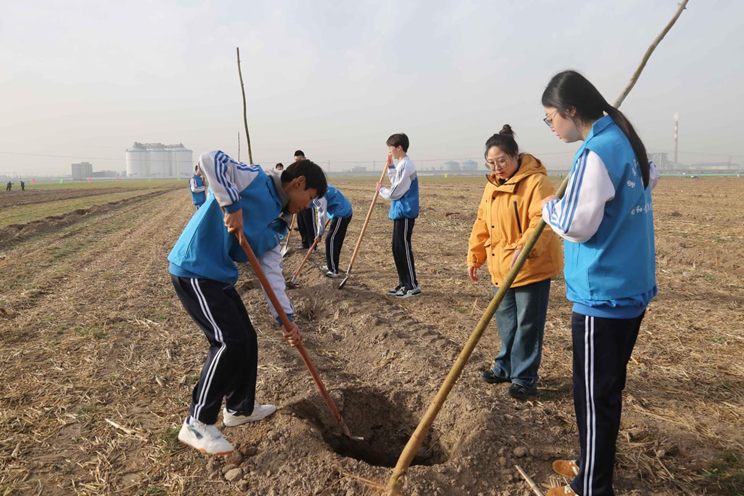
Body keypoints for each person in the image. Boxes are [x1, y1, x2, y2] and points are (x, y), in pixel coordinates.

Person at [539, 70, 659, 496]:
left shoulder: (596, 152)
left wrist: (549, 208)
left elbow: (578, 224)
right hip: (629, 288)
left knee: (594, 396)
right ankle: (592, 462)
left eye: (551, 118)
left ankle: (590, 487)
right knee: (605, 390)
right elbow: (649, 180)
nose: (552, 127)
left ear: (571, 110)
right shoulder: (625, 141)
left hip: (602, 295)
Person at [168, 150, 327, 456]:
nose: (309, 205)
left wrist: (286, 319)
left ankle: (239, 408)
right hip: (194, 267)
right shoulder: (254, 180)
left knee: (246, 338)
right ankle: (197, 422)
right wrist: (232, 206)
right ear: (298, 182)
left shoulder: (279, 223)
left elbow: (271, 274)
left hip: (217, 275)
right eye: (310, 196)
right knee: (228, 340)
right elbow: (210, 159)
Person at [468, 125, 562, 401]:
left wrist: (523, 249)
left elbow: (542, 221)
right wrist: (475, 256)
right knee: (507, 322)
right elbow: (482, 222)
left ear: (515, 156)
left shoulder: (536, 182)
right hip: (501, 265)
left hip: (531, 266)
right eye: (491, 163)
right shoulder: (492, 186)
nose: (497, 168)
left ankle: (524, 378)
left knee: (528, 325)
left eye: (502, 161)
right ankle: (505, 367)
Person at [377, 133, 421, 298]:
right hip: (399, 212)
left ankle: (412, 285)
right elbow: (396, 181)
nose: (390, 151)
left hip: (405, 212)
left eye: (391, 148)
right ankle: (403, 284)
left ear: (399, 147)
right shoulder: (401, 165)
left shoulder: (406, 165)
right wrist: (390, 167)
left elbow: (395, 192)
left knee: (403, 248)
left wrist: (381, 190)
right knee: (397, 248)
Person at [313, 184, 353, 278]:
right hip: (342, 211)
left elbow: (321, 216)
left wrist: (319, 234)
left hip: (342, 214)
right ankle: (330, 265)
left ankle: (333, 270)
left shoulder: (319, 197)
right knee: (333, 240)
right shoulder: (323, 185)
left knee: (331, 240)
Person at [293, 150, 317, 249]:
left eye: (300, 160)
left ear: (304, 158)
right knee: (301, 225)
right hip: (299, 203)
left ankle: (313, 246)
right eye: (296, 161)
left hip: (309, 203)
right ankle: (305, 244)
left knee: (310, 225)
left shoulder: (311, 170)